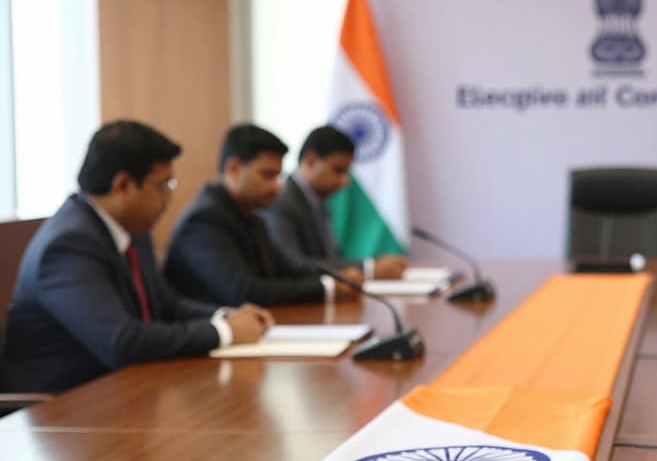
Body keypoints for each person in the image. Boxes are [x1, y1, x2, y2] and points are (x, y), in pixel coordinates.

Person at [2, 121, 271, 393]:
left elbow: (166, 304)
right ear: (123, 185)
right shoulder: (67, 246)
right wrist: (224, 333)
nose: (170, 198)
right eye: (164, 185)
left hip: (119, 389)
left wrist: (226, 316)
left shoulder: (132, 229)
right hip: (58, 410)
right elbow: (121, 341)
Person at [164, 124, 360, 307]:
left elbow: (287, 268)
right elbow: (244, 291)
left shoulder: (251, 214)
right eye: (267, 175)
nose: (277, 186)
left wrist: (337, 277)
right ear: (234, 168)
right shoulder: (204, 220)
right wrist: (326, 287)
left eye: (278, 176)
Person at [261, 126, 407, 279]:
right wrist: (368, 268)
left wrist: (372, 263)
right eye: (338, 170)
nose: (344, 182)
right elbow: (294, 264)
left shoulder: (317, 200)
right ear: (310, 161)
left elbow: (331, 258)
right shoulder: (281, 201)